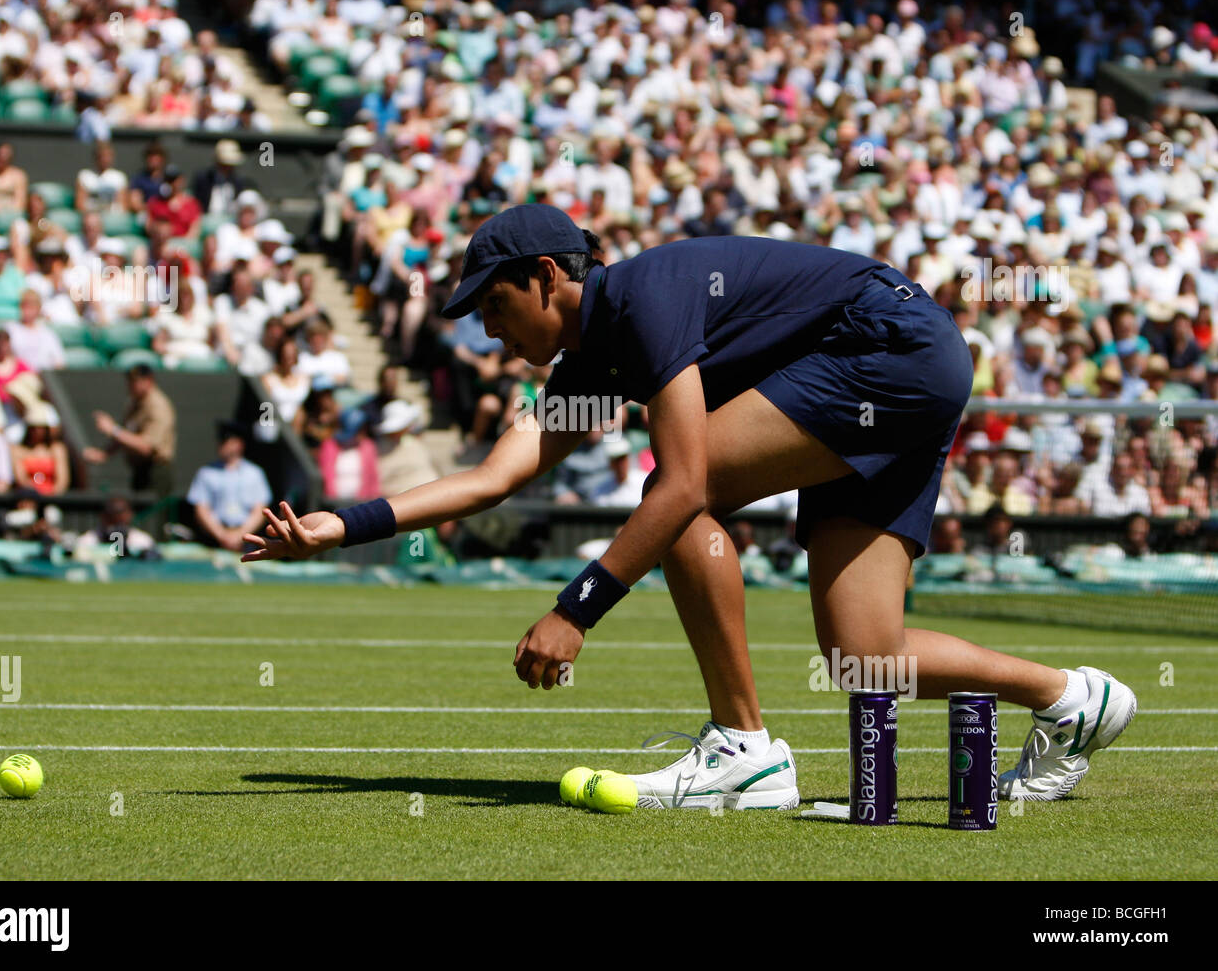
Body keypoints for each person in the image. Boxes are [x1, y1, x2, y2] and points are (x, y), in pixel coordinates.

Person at [242, 203, 1137, 808]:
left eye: (494, 303)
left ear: (547, 275)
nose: (488, 330)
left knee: (677, 488)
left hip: (888, 351)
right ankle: (1071, 698)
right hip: (901, 368)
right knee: (864, 657)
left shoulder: (642, 297)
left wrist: (574, 610)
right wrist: (338, 526)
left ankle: (746, 749)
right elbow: (493, 477)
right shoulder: (585, 367)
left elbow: (680, 486)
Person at [82, 364, 177, 497]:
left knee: (152, 515)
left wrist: (113, 429)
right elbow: (126, 433)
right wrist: (104, 453)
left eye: (136, 381)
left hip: (155, 472)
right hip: (139, 470)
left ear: (149, 380)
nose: (131, 385)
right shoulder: (135, 403)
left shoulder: (158, 406)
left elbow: (146, 447)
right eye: (130, 381)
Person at [186, 420, 272, 551]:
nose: (221, 446)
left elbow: (260, 510)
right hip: (214, 542)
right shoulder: (206, 473)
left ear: (239, 444)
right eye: (220, 441)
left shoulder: (255, 473)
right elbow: (201, 509)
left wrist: (240, 535)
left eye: (226, 442)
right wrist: (222, 535)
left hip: (247, 541)